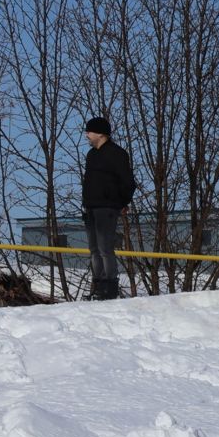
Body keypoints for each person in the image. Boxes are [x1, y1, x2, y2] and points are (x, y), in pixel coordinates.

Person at [80, 115, 135, 301]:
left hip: (107, 207)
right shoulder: (91, 155)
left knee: (105, 248)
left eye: (90, 131)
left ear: (101, 134)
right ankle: (97, 285)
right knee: (94, 249)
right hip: (91, 207)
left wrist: (121, 202)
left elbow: (127, 182)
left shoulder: (117, 153)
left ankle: (109, 287)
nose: (87, 134)